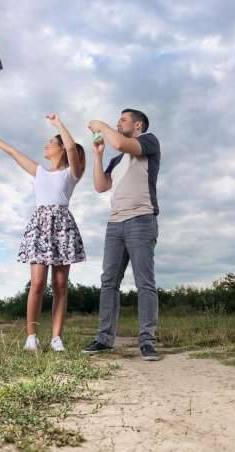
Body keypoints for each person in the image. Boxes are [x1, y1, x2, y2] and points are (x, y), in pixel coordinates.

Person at [0, 113, 86, 352]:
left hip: (62, 228)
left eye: (51, 143)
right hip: (40, 226)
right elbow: (14, 153)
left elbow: (72, 148)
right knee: (36, 283)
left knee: (60, 285)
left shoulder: (71, 173)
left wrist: (59, 124)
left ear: (61, 149)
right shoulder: (39, 172)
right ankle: (31, 337)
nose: (47, 145)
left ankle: (56, 338)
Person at [83, 109, 161, 361]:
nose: (118, 123)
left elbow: (117, 140)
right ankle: (104, 339)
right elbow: (100, 186)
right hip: (115, 224)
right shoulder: (117, 160)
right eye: (117, 120)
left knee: (144, 283)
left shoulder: (149, 141)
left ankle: (147, 341)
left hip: (141, 219)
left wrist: (100, 124)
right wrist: (98, 155)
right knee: (109, 283)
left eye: (123, 119)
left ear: (138, 125)